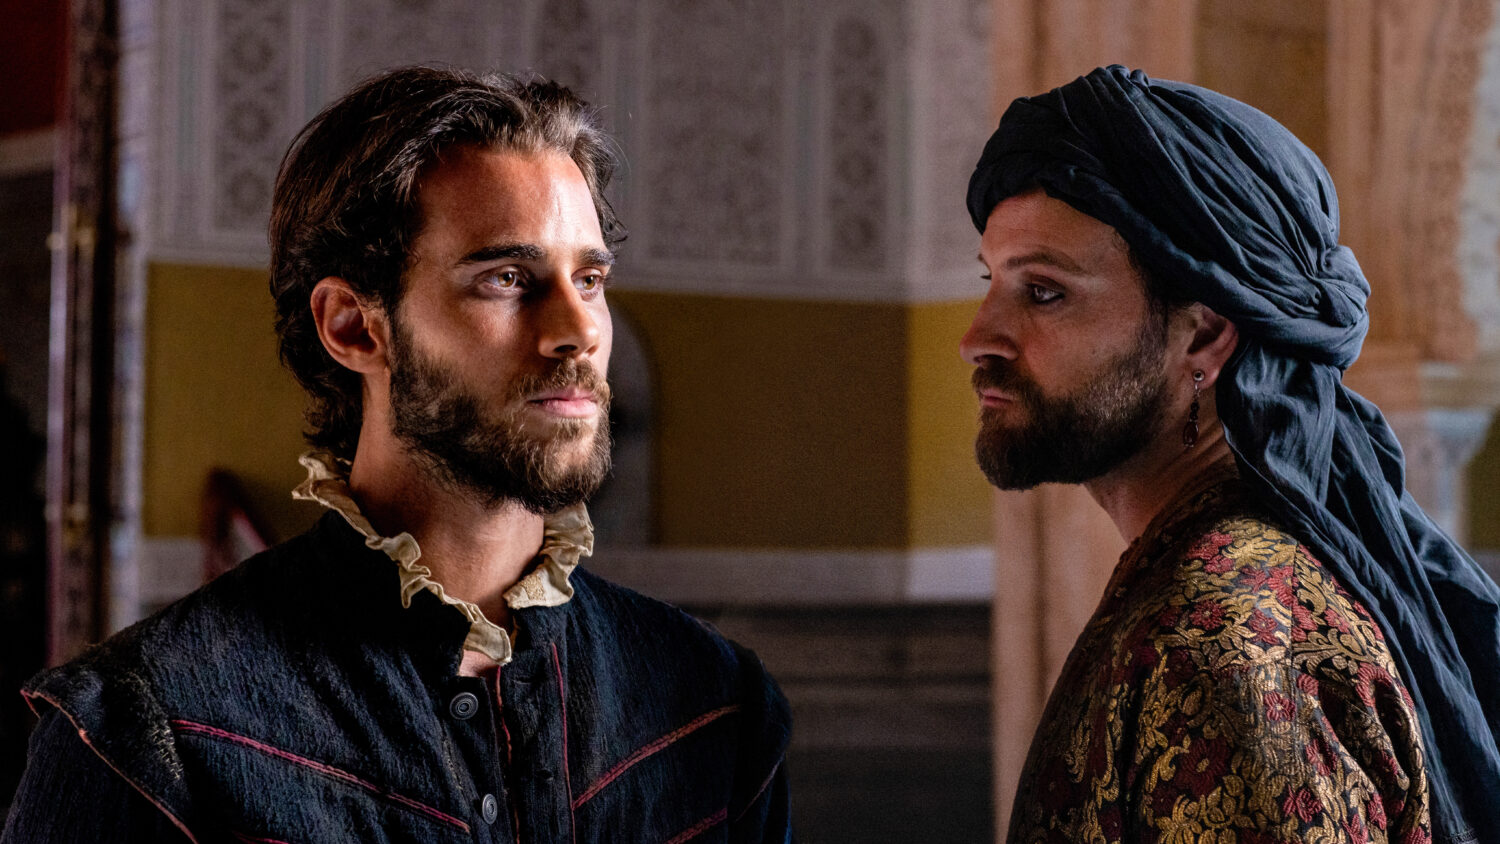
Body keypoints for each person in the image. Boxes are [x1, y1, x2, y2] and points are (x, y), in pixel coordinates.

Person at [4, 67, 793, 843]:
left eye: (588, 279)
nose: (579, 330)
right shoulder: (143, 737)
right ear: (353, 326)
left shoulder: (714, 706)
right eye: (507, 278)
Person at [962, 65, 1500, 844]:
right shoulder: (1216, 595)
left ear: (1205, 336)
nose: (977, 337)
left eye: (1043, 291)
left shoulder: (1222, 645)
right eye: (992, 281)